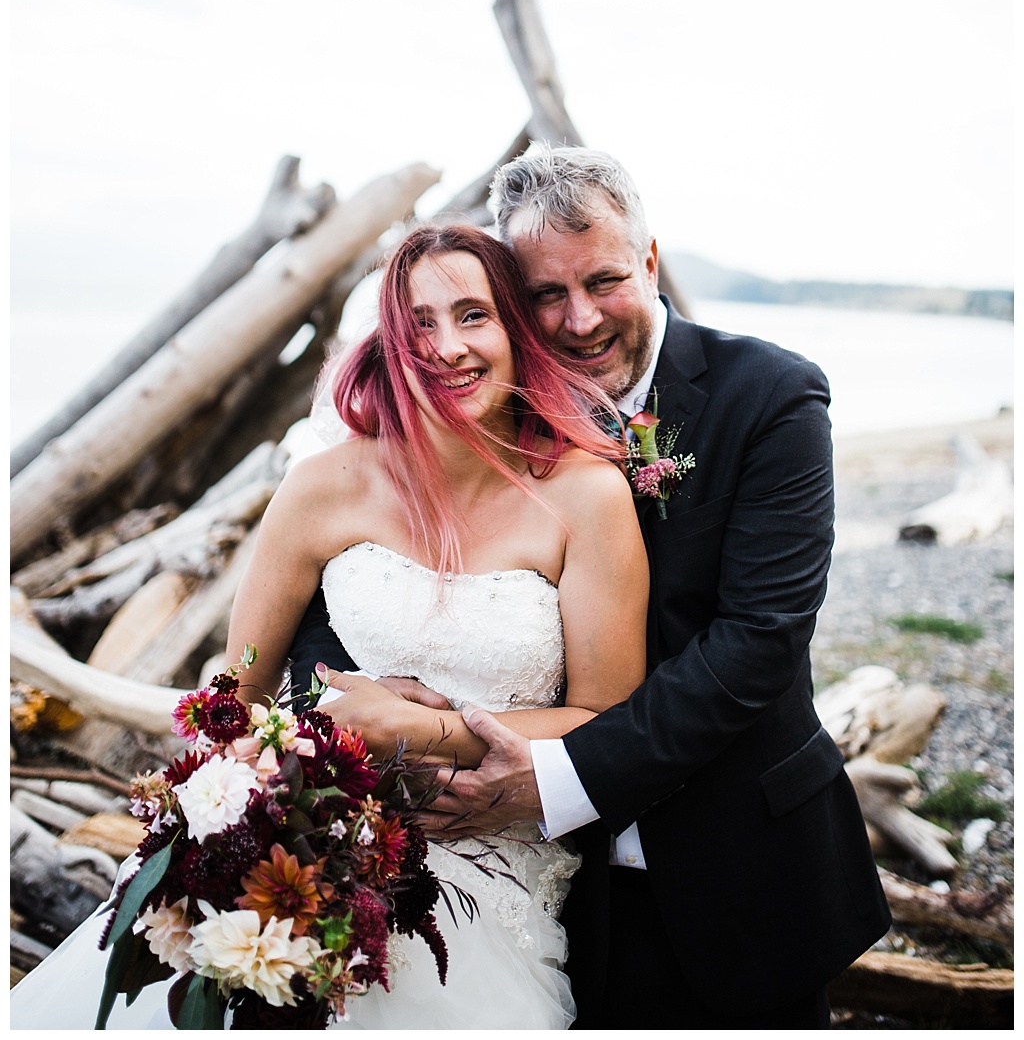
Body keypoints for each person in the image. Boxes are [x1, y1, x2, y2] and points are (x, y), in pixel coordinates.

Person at [295, 145, 891, 1030]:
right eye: (543, 294)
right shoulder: (485, 403)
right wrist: (360, 697)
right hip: (537, 889)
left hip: (735, 865)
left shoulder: (769, 396)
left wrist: (553, 777)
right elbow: (344, 582)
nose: (578, 321)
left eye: (605, 281)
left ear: (649, 262)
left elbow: (757, 643)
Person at [8, 221, 648, 1032]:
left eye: (472, 315)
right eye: (418, 324)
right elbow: (232, 693)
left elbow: (607, 722)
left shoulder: (584, 496)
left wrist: (419, 728)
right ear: (389, 346)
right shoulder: (323, 488)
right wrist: (264, 783)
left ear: (517, 331)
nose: (447, 347)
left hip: (492, 857)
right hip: (317, 843)